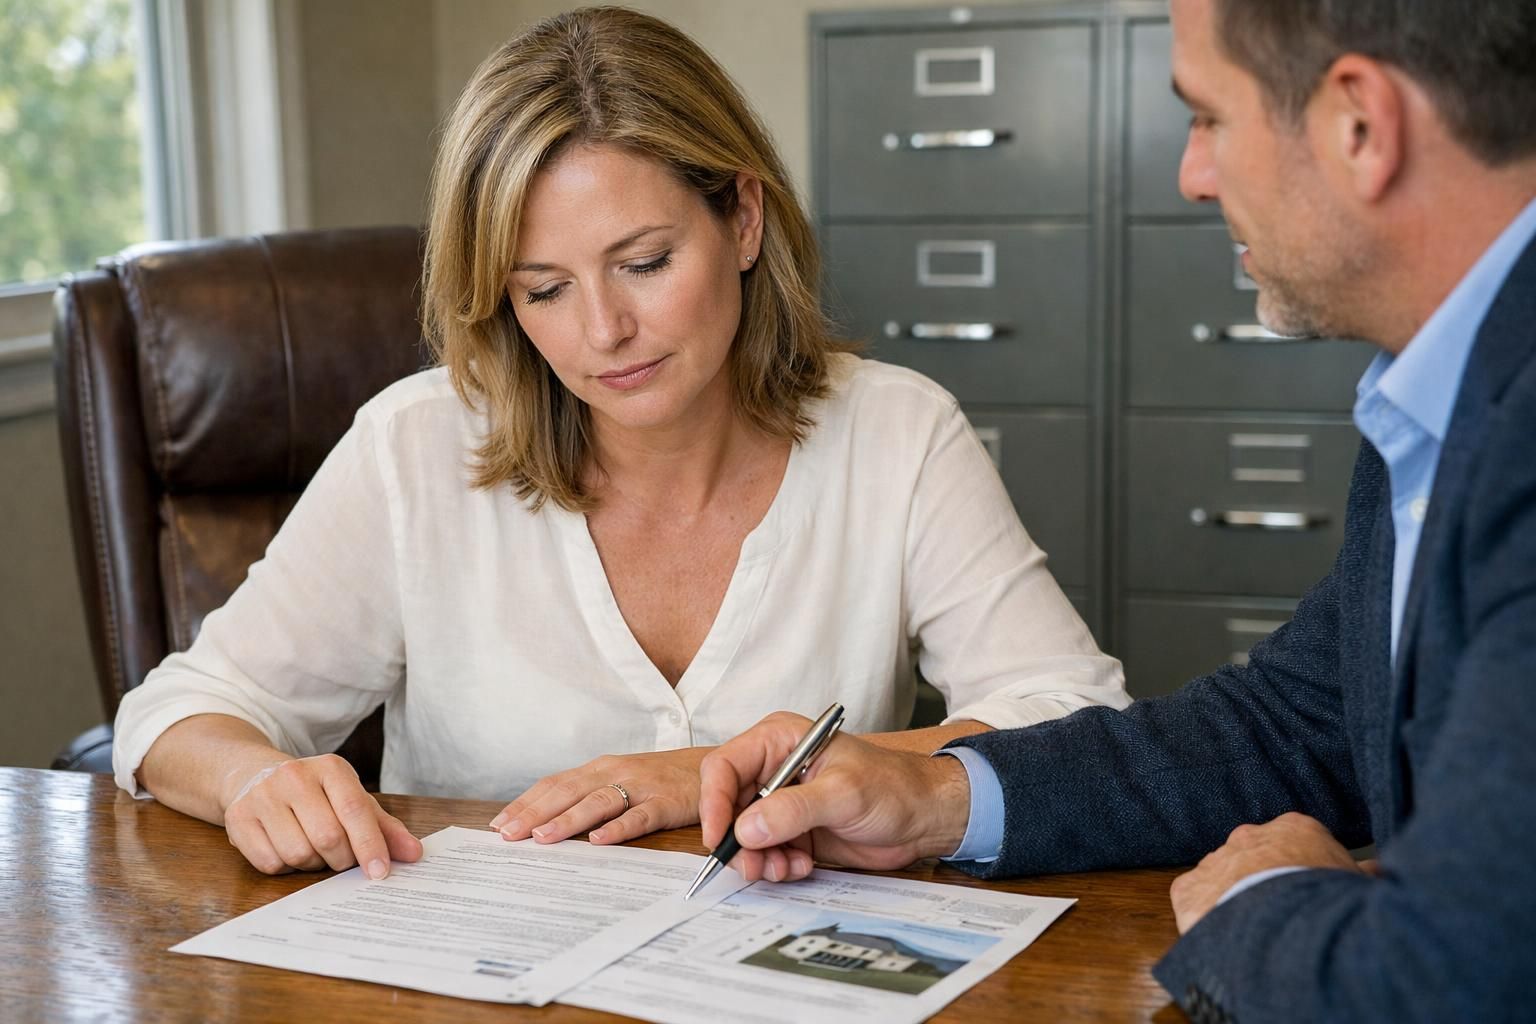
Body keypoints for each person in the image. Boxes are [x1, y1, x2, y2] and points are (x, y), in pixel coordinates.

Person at [110, 8, 1127, 883]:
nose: (602, 332)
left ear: (742, 219)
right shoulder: (412, 451)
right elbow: (180, 713)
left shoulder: (897, 433)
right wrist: (256, 776)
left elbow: (1075, 716)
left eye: (643, 262)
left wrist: (717, 774)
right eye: (544, 288)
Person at [700, 0, 1536, 1018]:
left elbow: (1457, 979)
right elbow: (1300, 720)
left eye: (1210, 118)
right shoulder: (1441, 385)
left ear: (1359, 124)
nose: (1192, 175)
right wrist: (934, 799)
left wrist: (1263, 895)